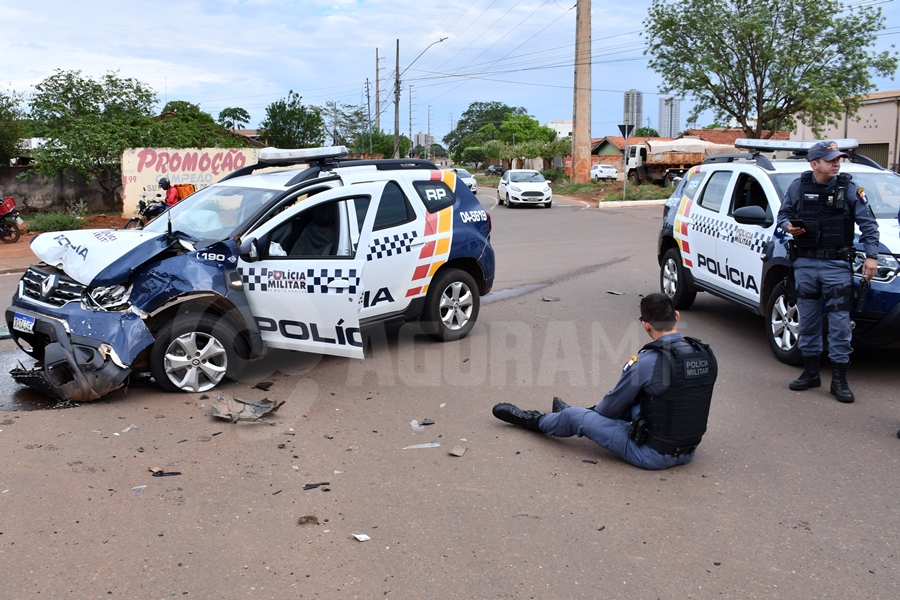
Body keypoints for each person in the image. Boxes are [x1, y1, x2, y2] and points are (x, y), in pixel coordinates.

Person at [491, 293, 718, 470]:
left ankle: (537, 420)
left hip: (654, 455)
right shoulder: (705, 353)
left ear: (645, 324)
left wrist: (588, 416)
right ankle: (572, 416)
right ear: (676, 316)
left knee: (577, 417)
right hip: (688, 450)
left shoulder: (648, 361)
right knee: (641, 400)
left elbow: (610, 408)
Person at [776, 141, 880, 403]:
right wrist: (789, 226)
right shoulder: (799, 187)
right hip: (805, 264)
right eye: (831, 159)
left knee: (839, 324)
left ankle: (839, 379)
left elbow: (869, 225)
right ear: (815, 164)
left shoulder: (850, 188)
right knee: (808, 320)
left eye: (839, 159)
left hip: (836, 265)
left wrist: (872, 256)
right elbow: (782, 217)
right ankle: (811, 373)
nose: (837, 163)